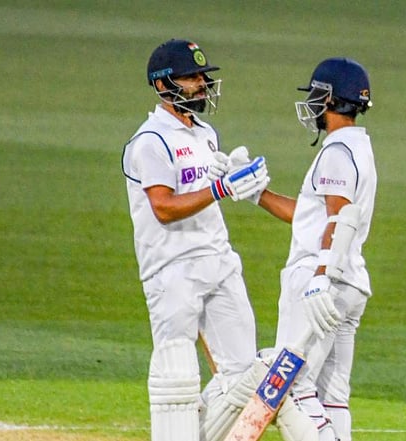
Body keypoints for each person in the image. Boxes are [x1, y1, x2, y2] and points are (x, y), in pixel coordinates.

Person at [120, 38, 271, 441]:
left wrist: (239, 181)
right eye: (191, 77)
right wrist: (221, 189)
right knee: (178, 379)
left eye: (203, 76)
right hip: (172, 269)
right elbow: (164, 207)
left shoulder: (206, 134)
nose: (202, 83)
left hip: (219, 259)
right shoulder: (150, 141)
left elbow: (205, 192)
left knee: (244, 376)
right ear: (163, 85)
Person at [251, 57, 377, 441]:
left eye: (318, 96)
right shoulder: (359, 147)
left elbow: (337, 220)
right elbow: (314, 216)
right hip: (351, 282)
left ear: (332, 100)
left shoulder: (336, 152)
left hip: (320, 280)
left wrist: (321, 276)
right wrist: (257, 194)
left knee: (294, 387)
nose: (313, 106)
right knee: (333, 395)